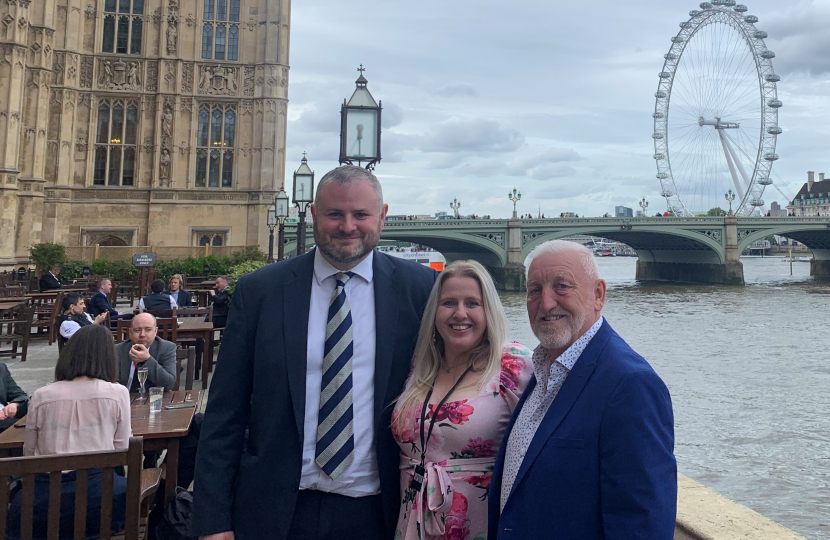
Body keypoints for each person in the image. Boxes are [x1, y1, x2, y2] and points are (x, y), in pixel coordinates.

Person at [191, 165, 438, 540]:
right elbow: (225, 412)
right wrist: (213, 521)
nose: (347, 226)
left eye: (361, 215)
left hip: (379, 512)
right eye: (335, 214)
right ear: (313, 215)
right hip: (274, 512)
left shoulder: (421, 289)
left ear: (383, 216)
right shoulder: (261, 292)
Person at [487, 240, 676, 540]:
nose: (546, 303)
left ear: (598, 294)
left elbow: (642, 524)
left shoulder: (630, 385)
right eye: (535, 290)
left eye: (562, 286)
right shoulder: (542, 370)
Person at [392, 261, 532, 540]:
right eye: (448, 303)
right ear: (434, 312)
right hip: (413, 521)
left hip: (478, 523)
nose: (460, 313)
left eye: (472, 303)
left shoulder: (512, 365)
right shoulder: (419, 366)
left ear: (488, 310)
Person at [9, 324, 131, 539]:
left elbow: (29, 453)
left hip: (45, 500)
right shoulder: (117, 393)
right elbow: (122, 448)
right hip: (97, 499)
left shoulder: (41, 395)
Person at [115, 313, 177, 392]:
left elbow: (169, 384)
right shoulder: (117, 350)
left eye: (148, 330)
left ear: (155, 331)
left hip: (152, 399)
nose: (142, 335)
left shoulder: (167, 348)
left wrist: (147, 360)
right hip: (124, 399)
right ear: (130, 332)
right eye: (137, 330)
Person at [0, 363, 28, 433]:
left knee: (35, 406)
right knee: (21, 427)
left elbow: (20, 394)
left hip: (5, 412)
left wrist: (15, 404)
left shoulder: (1, 368)